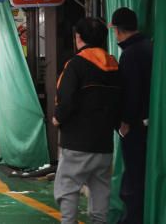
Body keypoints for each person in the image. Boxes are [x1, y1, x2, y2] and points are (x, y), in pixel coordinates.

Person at [53, 17, 127, 224]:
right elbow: (122, 102)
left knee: (68, 188)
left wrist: (58, 119)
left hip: (76, 143)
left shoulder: (76, 65)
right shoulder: (114, 66)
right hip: (103, 144)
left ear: (78, 38)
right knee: (100, 192)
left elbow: (67, 99)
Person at [110, 8, 153, 224]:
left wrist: (124, 124)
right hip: (149, 126)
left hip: (136, 128)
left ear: (117, 30)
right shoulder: (149, 48)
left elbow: (130, 94)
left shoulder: (131, 54)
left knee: (134, 177)